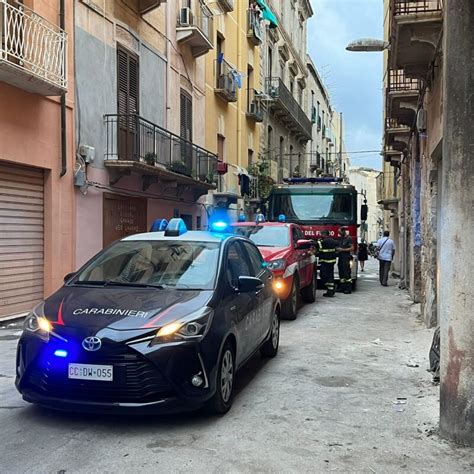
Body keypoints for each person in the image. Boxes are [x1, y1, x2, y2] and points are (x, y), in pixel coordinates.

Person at [318, 230, 337, 297]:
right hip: (332, 261)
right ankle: (330, 291)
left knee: (322, 275)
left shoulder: (323, 241)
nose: (320, 236)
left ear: (324, 234)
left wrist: (318, 241)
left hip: (325, 261)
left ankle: (331, 288)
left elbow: (320, 249)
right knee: (330, 276)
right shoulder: (333, 240)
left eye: (321, 234)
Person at [336, 226, 354, 294]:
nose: (339, 234)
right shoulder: (341, 238)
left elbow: (352, 248)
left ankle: (348, 288)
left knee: (347, 273)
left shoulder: (348, 238)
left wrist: (342, 250)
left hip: (346, 257)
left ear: (343, 231)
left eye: (340, 232)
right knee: (341, 273)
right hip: (341, 257)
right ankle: (342, 287)